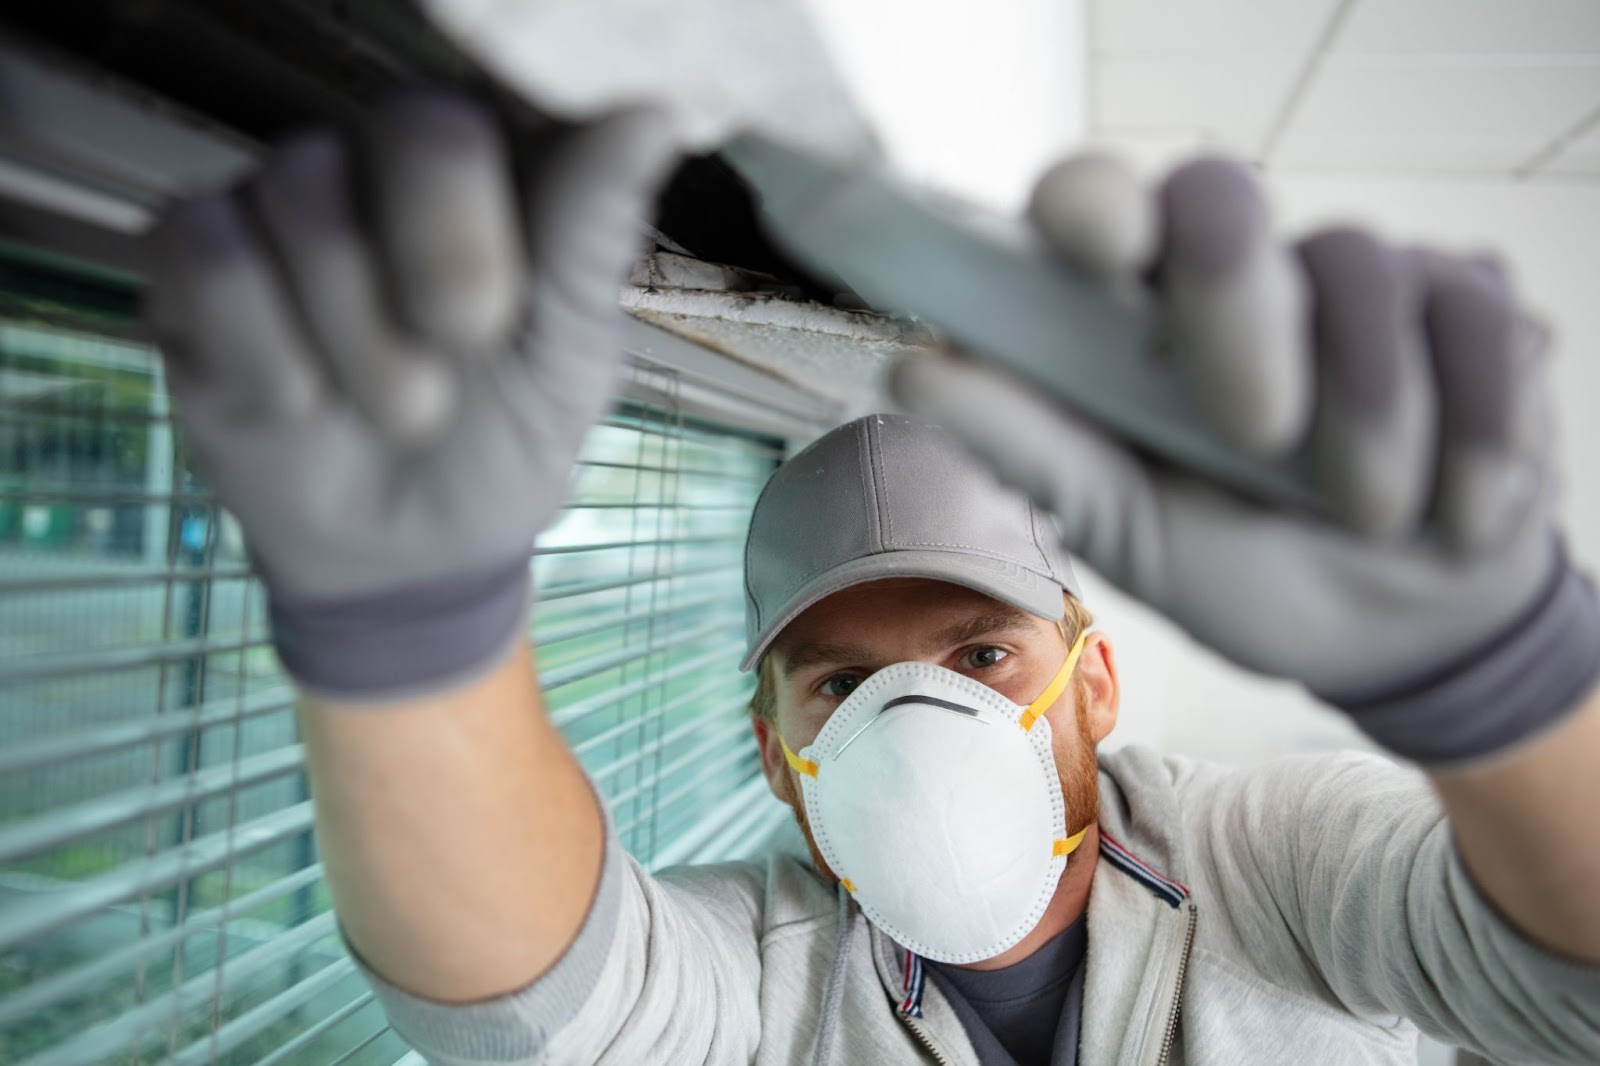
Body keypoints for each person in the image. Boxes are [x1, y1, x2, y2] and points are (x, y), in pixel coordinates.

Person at [145, 93, 1600, 1065]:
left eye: (980, 656)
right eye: (842, 682)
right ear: (778, 755)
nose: (916, 719)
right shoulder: (768, 970)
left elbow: (1563, 979)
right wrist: (412, 636)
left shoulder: (1275, 859)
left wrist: (1509, 690)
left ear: (1093, 681)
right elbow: (532, 1000)